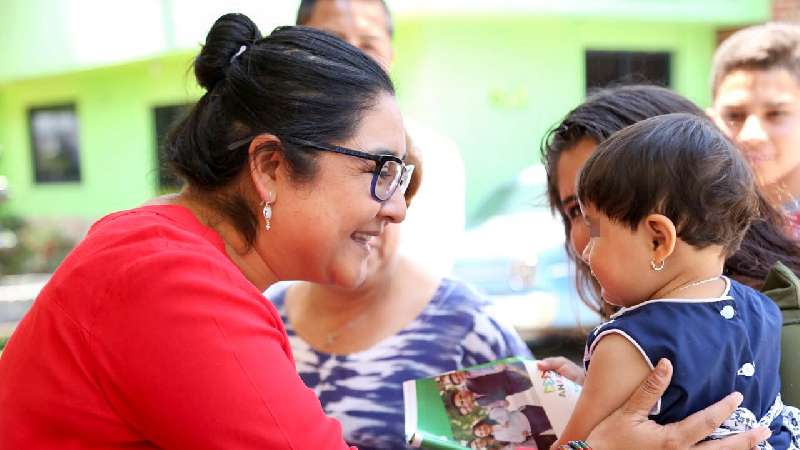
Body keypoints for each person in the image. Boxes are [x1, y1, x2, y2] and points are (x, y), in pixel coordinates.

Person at [0, 13, 771, 450]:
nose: (398, 206)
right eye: (381, 170)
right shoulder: (173, 284)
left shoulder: (158, 254)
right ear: (271, 169)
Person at [539, 84, 800, 406]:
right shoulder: (650, 332)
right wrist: (599, 395)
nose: (589, 235)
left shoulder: (781, 332)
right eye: (576, 211)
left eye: (608, 205)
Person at [268, 143, 529, 449]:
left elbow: (537, 435)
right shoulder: (268, 316)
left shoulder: (466, 325)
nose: (370, 220)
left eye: (385, 197)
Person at [296, 0, 467, 276]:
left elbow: (430, 273)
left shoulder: (434, 155)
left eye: (369, 45)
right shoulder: (266, 149)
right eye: (334, 41)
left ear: (391, 56)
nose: (352, 57)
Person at [708, 23, 800, 235]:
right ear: (710, 120)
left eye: (776, 114)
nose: (752, 135)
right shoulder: (691, 221)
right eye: (734, 116)